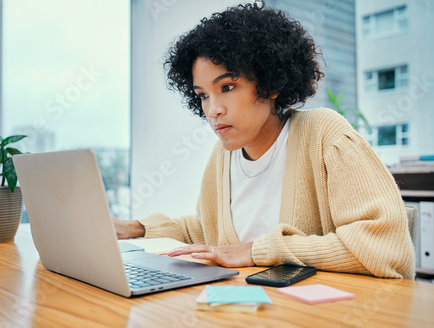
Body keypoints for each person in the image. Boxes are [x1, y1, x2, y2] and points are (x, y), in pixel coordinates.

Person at [114, 3, 414, 279]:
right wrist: (137, 228)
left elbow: (387, 247)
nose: (212, 109)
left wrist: (256, 250)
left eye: (228, 87)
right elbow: (208, 230)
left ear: (271, 85)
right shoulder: (223, 155)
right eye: (203, 95)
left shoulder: (325, 135)